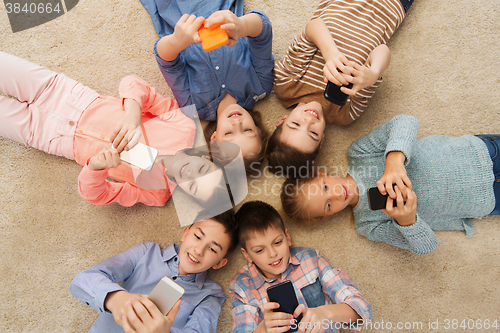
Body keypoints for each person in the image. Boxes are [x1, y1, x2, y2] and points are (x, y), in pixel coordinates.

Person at [0, 52, 230, 207]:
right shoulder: (184, 126)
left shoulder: (156, 193)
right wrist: (132, 116)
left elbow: (95, 195)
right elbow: (133, 83)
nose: (190, 173)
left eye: (193, 185)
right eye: (202, 168)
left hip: (50, 137)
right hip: (67, 96)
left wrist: (96, 167)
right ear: (208, 156)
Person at [280, 114, 499, 255]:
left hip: (475, 153)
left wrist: (394, 161)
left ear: (321, 174)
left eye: (325, 187)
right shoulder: (368, 224)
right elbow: (427, 247)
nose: (336, 195)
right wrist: (407, 220)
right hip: (483, 200)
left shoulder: (358, 154)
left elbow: (407, 121)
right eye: (328, 205)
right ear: (329, 215)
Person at [267, 0, 414, 175]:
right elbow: (382, 49)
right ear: (321, 140)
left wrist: (331, 54)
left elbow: (314, 26)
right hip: (390, 8)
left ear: (282, 120)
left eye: (295, 124)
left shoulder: (285, 85)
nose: (309, 120)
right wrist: (373, 73)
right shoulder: (345, 114)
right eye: (313, 133)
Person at [140, 0, 273, 169]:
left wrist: (177, 42)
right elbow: (263, 31)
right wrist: (242, 25)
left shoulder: (192, 106)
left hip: (176, 11)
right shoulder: (260, 86)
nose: (237, 123)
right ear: (258, 131)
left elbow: (166, 61)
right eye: (247, 131)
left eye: (229, 133)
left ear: (214, 138)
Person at [70, 211, 238, 333]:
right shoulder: (147, 252)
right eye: (198, 237)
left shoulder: (210, 295)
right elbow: (82, 280)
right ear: (185, 233)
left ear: (219, 263)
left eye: (213, 249)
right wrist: (115, 299)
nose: (199, 250)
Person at [229, 201, 372, 333]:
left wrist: (326, 313)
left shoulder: (310, 259)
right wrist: (263, 330)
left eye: (278, 242)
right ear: (246, 254)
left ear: (287, 237)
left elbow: (362, 309)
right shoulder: (242, 287)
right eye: (260, 250)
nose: (273, 254)